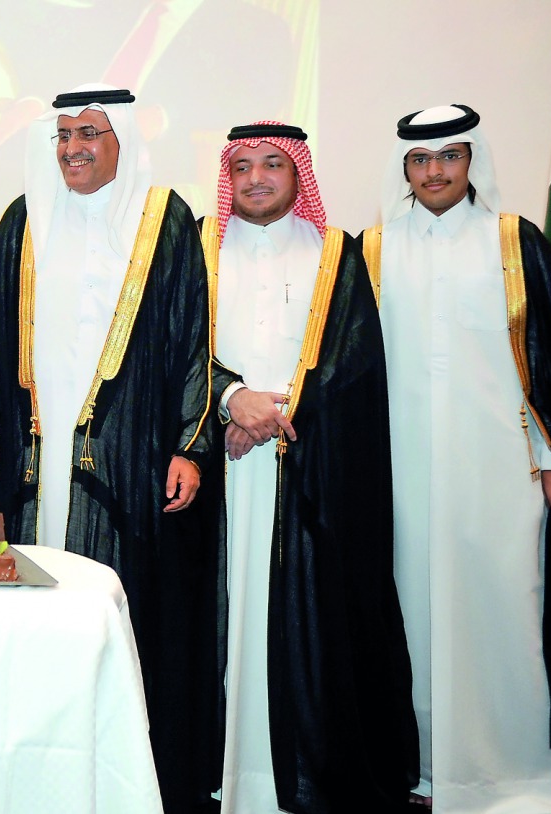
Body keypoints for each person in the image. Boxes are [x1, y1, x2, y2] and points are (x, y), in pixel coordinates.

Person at [0, 84, 220, 813]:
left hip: (131, 462)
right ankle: (39, 767)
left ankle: (118, 774)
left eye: (90, 135)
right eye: (64, 135)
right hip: (39, 463)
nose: (73, 148)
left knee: (119, 611)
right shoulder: (24, 216)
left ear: (121, 142)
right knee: (39, 610)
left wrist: (190, 445)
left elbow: (195, 339)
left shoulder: (165, 221)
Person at [203, 122, 418, 813]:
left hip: (307, 470)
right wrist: (232, 402)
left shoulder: (336, 253)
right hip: (215, 469)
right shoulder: (197, 250)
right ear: (228, 178)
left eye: (274, 165)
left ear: (300, 176)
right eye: (243, 168)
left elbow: (355, 363)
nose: (258, 178)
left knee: (305, 625)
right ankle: (221, 779)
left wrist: (279, 414)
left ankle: (296, 781)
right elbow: (169, 347)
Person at [361, 104, 551, 811]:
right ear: (404, 168)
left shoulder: (515, 242)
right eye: (420, 160)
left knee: (503, 607)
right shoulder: (374, 250)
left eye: (448, 156)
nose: (435, 171)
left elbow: (548, 359)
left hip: (499, 474)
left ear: (472, 161)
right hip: (401, 473)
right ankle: (420, 770)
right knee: (408, 610)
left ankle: (511, 773)